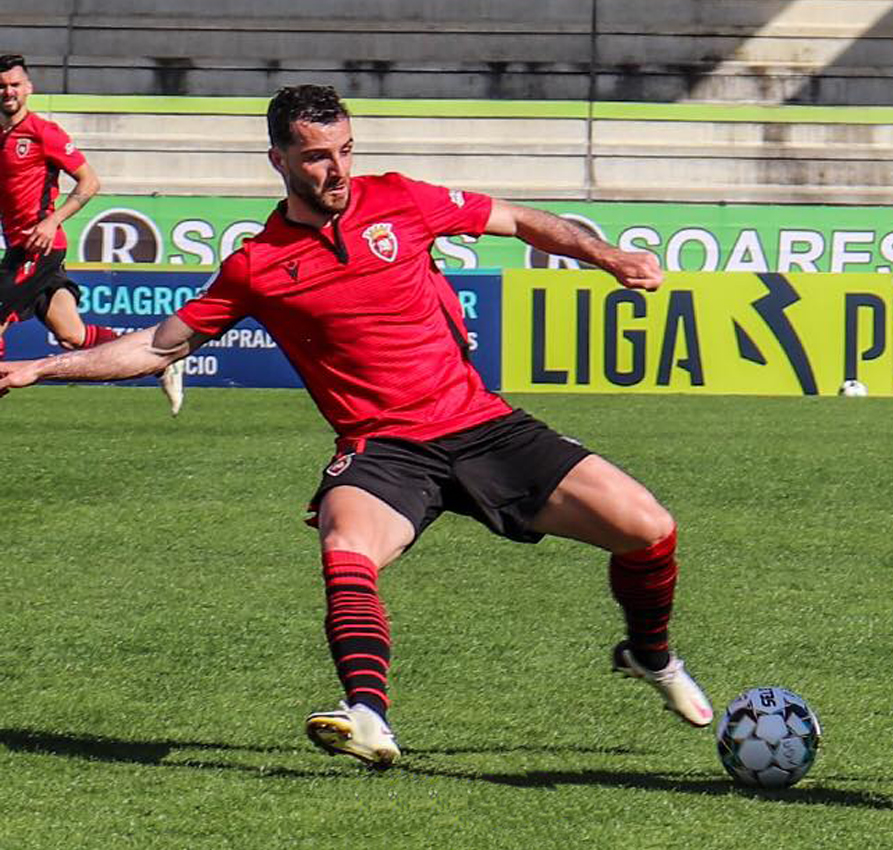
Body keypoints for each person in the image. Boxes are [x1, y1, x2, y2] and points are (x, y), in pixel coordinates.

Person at [0, 84, 713, 768]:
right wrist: (41, 368)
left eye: (345, 149)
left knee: (649, 527)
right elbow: (158, 346)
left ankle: (649, 655)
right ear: (278, 160)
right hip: (384, 451)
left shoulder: (400, 198)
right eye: (315, 155)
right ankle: (367, 714)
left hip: (481, 424)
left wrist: (606, 255)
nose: (336, 167)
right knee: (346, 545)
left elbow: (517, 219)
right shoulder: (258, 266)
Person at [0, 54, 183, 413]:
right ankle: (161, 357)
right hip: (22, 248)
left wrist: (52, 221)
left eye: (15, 85)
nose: (8, 92)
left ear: (29, 89)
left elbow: (90, 181)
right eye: (2, 86)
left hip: (38, 248)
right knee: (73, 335)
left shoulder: (43, 132)